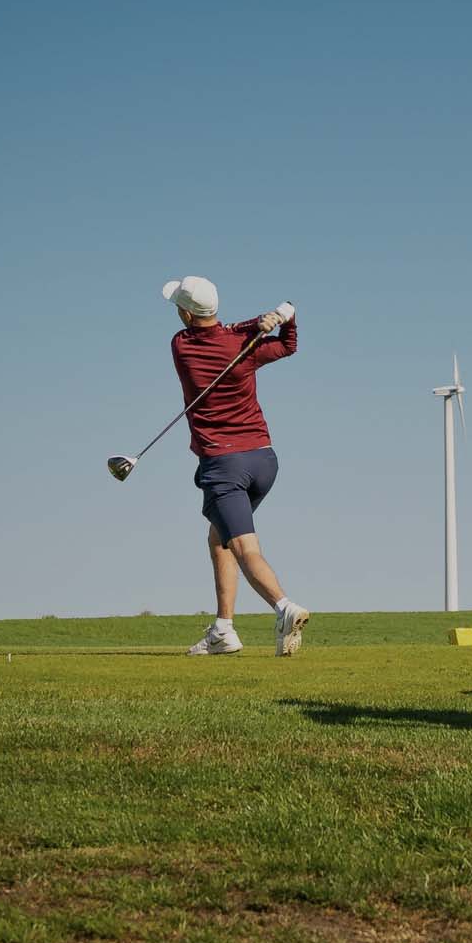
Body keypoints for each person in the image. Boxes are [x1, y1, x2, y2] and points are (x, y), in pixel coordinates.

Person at [161, 276, 311, 658]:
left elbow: (223, 331)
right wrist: (281, 317)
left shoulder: (182, 345)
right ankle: (224, 629)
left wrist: (260, 321)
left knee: (245, 547)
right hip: (263, 460)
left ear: (187, 314)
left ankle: (284, 607)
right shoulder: (244, 346)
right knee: (219, 538)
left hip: (223, 465)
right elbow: (288, 345)